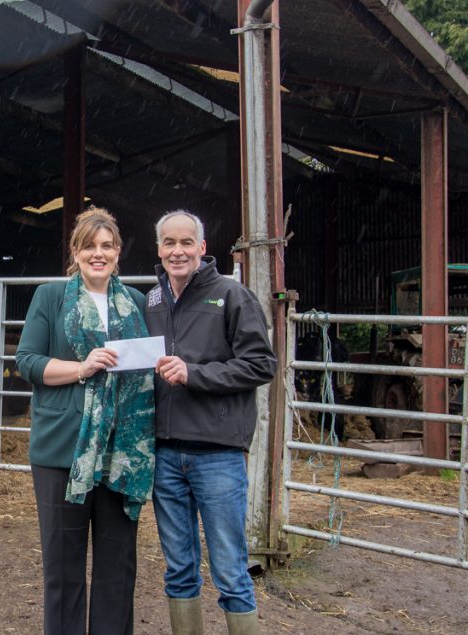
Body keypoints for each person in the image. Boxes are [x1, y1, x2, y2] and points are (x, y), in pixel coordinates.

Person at [15, 207, 155, 635]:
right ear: (75, 251)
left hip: (121, 453)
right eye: (90, 245)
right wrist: (82, 367)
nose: (99, 254)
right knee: (63, 565)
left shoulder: (134, 301)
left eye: (107, 246)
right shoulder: (51, 297)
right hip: (63, 451)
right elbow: (28, 362)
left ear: (118, 252)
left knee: (118, 567)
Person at [144, 210, 277, 635]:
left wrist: (195, 373)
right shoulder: (153, 300)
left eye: (187, 243)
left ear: (202, 248)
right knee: (179, 568)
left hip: (217, 454)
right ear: (159, 249)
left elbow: (261, 365)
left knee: (230, 571)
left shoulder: (232, 295)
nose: (177, 251)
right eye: (169, 243)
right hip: (165, 454)